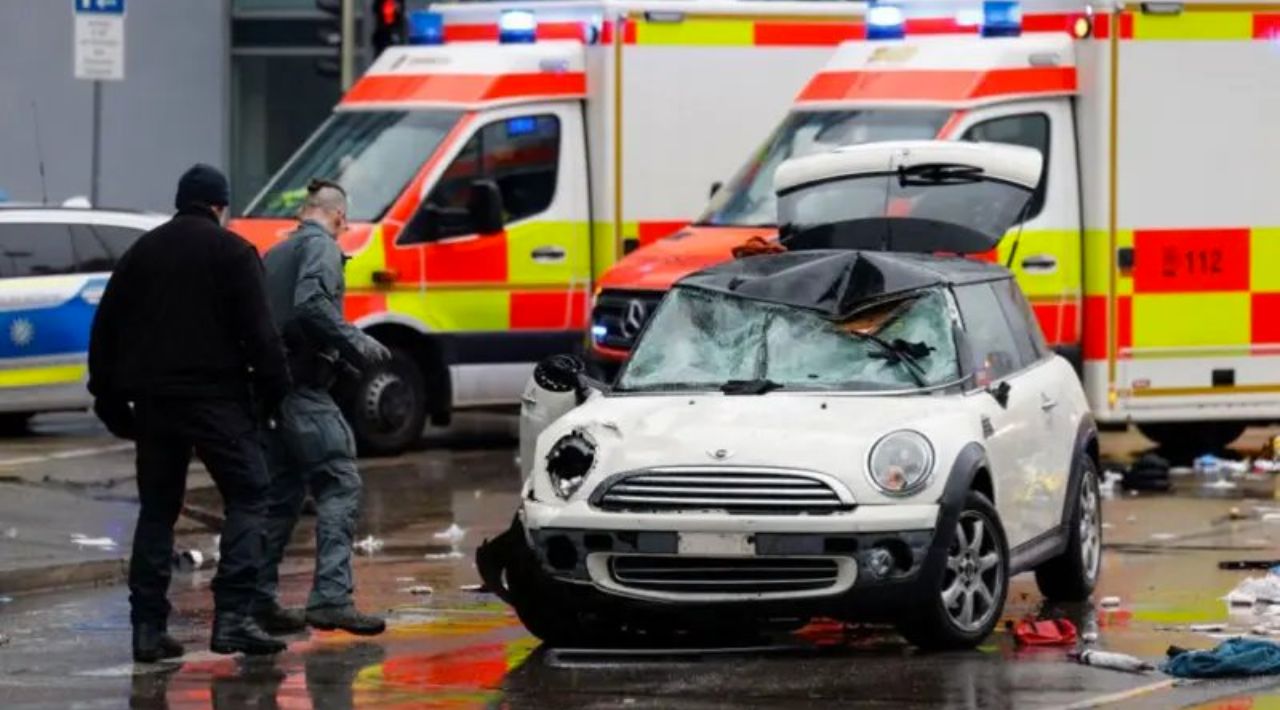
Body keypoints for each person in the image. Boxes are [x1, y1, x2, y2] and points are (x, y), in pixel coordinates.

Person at [88, 164, 291, 661]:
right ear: (220, 206)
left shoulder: (142, 253)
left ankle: (147, 630)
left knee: (158, 510)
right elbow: (262, 337)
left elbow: (106, 330)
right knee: (250, 494)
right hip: (217, 399)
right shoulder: (233, 253)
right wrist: (273, 397)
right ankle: (235, 619)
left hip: (155, 404)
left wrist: (110, 401)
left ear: (181, 201)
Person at [254, 179, 391, 636]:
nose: (344, 226)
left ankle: (258, 601)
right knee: (339, 482)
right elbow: (311, 304)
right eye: (344, 220)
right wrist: (357, 344)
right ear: (335, 216)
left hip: (272, 393)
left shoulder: (275, 255)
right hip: (304, 391)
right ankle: (331, 598)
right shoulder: (323, 249)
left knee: (283, 495)